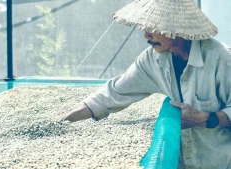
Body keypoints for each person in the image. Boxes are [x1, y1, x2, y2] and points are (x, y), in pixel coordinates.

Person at [61, 0, 231, 168]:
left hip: (218, 161)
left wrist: (204, 119)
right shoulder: (152, 59)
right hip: (179, 162)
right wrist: (63, 120)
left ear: (175, 29)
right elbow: (114, 93)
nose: (146, 36)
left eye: (153, 29)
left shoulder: (221, 59)